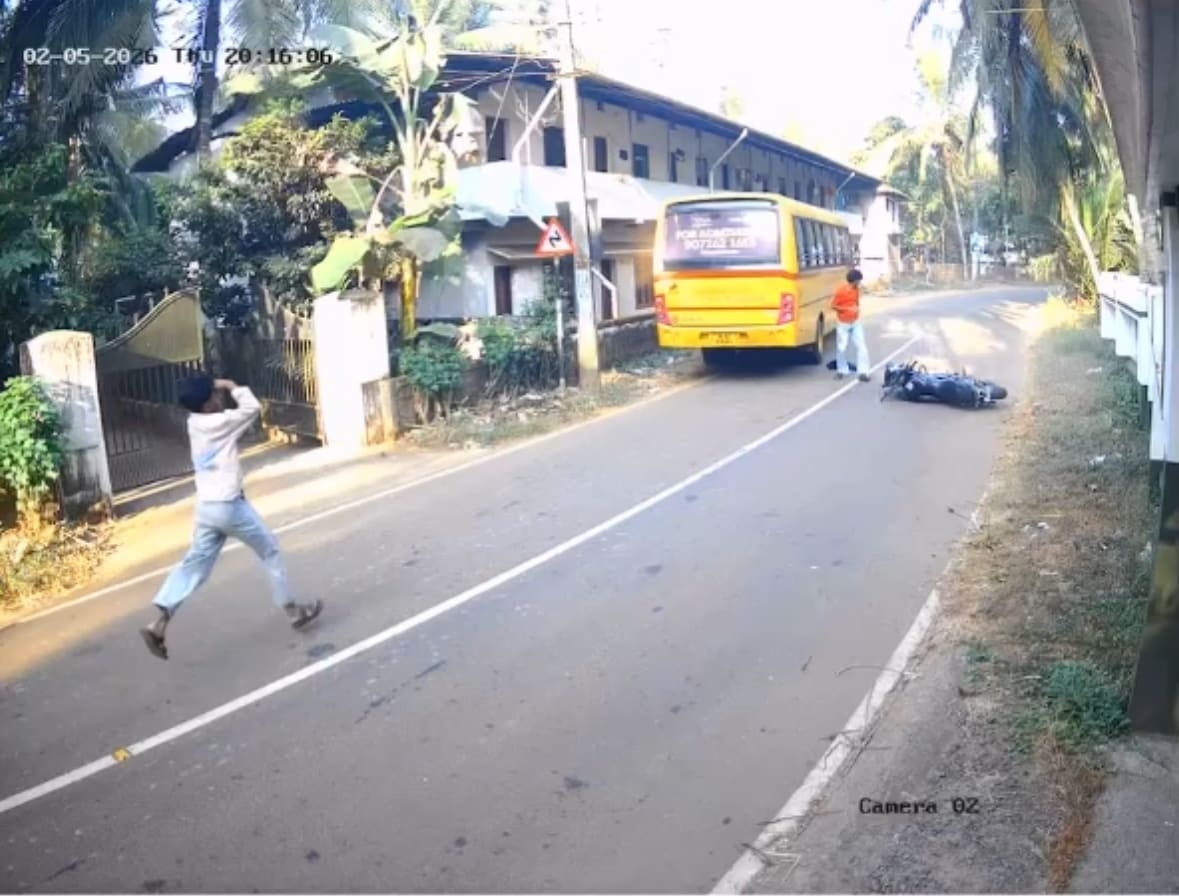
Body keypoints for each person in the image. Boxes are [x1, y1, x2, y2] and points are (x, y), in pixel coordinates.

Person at [139, 375, 321, 660]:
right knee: (270, 550)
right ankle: (293, 610)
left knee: (194, 566)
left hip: (207, 508)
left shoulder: (194, 423)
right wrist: (233, 386)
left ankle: (158, 624)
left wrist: (215, 389)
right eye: (214, 395)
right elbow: (251, 408)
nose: (218, 398)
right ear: (208, 403)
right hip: (230, 507)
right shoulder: (219, 423)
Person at [831, 268, 871, 382]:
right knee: (841, 348)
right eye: (858, 280)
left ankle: (863, 372)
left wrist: (856, 309)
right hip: (843, 323)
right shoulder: (841, 291)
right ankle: (842, 370)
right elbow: (833, 306)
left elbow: (856, 303)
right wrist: (845, 309)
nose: (859, 283)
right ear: (853, 280)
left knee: (862, 347)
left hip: (855, 322)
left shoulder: (856, 290)